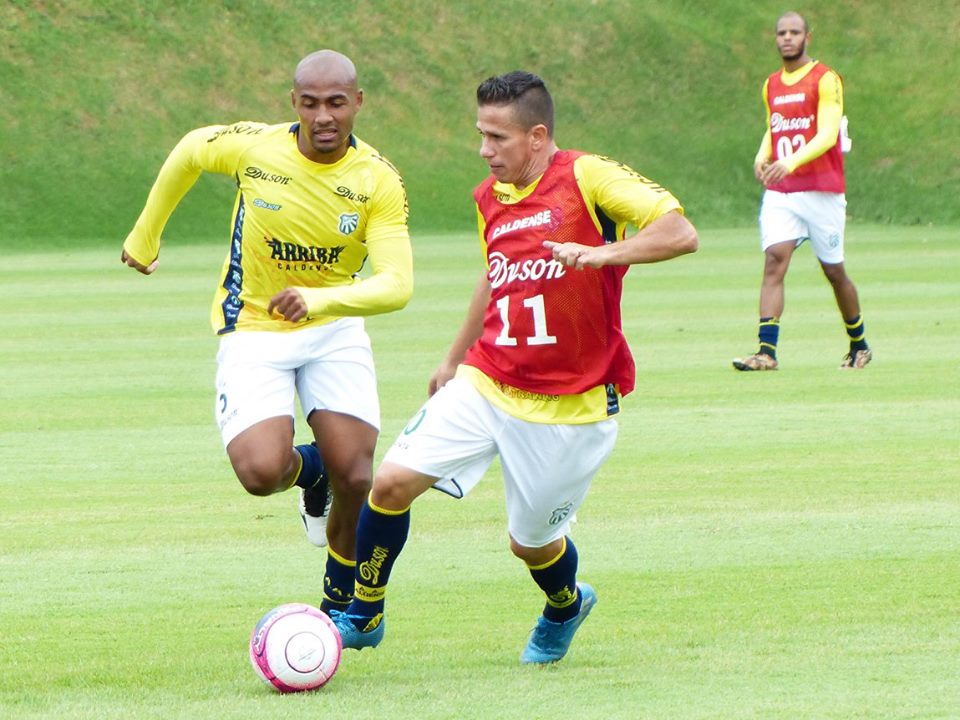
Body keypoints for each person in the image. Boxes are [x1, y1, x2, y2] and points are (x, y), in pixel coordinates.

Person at [328, 71, 698, 664]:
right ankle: (363, 614)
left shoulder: (587, 176)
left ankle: (565, 604)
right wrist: (451, 360)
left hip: (571, 406)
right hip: (488, 378)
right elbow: (493, 277)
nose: (484, 150)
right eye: (480, 134)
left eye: (497, 137)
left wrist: (602, 253)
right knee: (391, 483)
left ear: (537, 136)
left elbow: (680, 232)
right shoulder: (487, 199)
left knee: (531, 545)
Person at [120, 50, 413, 616]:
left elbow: (397, 284)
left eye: (336, 103)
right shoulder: (255, 148)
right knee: (260, 473)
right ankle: (311, 470)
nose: (324, 116)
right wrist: (144, 235)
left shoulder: (378, 180)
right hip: (253, 324)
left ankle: (338, 602)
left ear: (358, 102)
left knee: (358, 472)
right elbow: (189, 151)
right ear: (293, 104)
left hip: (332, 325)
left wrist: (320, 299)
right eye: (310, 103)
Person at [733, 11, 871, 371]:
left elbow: (826, 134)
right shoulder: (771, 84)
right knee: (774, 261)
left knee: (834, 271)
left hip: (821, 190)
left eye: (795, 32)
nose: (787, 38)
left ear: (808, 36)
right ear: (775, 38)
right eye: (782, 33)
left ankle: (859, 344)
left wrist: (789, 162)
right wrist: (763, 156)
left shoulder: (826, 79)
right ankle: (767, 352)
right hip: (783, 191)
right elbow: (774, 127)